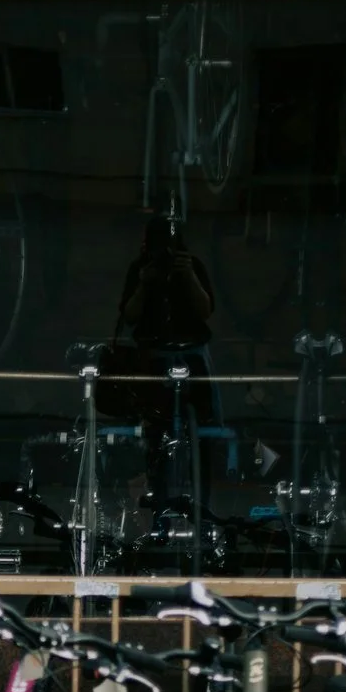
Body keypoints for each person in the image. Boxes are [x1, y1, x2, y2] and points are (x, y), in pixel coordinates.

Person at [116, 214, 218, 507]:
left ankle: (201, 506)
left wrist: (187, 275)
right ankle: (159, 505)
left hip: (191, 356)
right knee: (155, 436)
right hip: (154, 359)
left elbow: (205, 310)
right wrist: (145, 283)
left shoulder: (192, 267)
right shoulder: (141, 269)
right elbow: (130, 316)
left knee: (202, 437)